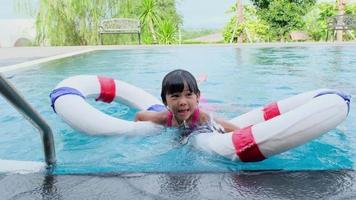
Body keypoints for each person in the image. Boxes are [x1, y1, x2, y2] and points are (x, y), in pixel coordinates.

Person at [135, 69, 239, 139]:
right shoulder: (163, 117)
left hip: (196, 107)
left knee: (213, 108)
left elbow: (234, 130)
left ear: (197, 97)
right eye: (175, 96)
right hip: (157, 108)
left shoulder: (202, 118)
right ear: (165, 100)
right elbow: (139, 116)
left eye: (188, 94)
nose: (182, 102)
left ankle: (198, 82)